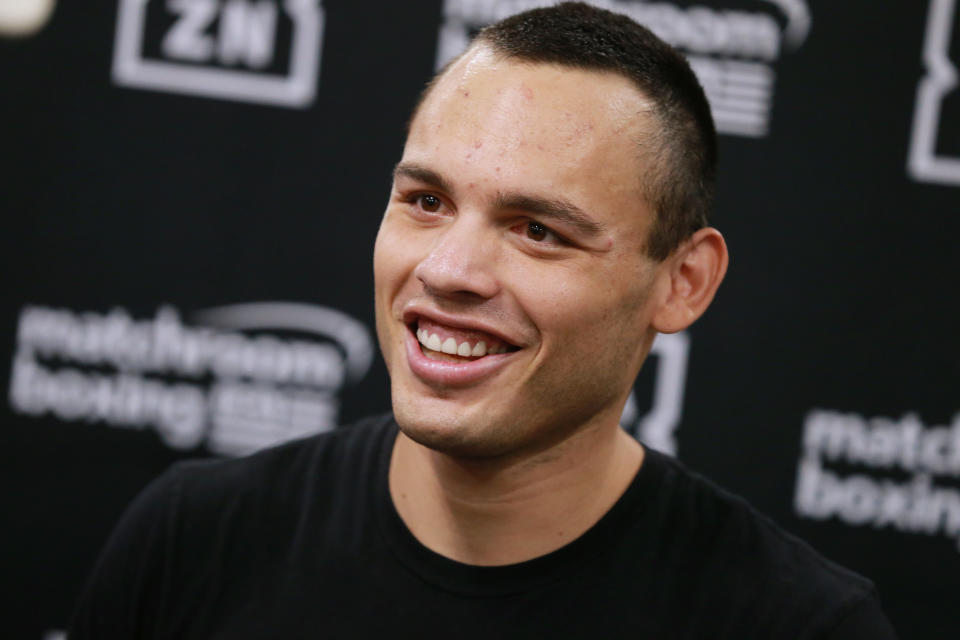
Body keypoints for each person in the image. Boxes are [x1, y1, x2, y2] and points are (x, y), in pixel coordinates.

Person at [69, 3, 898, 638]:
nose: (447, 271)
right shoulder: (193, 540)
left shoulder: (798, 625)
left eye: (538, 230)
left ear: (682, 282)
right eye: (426, 202)